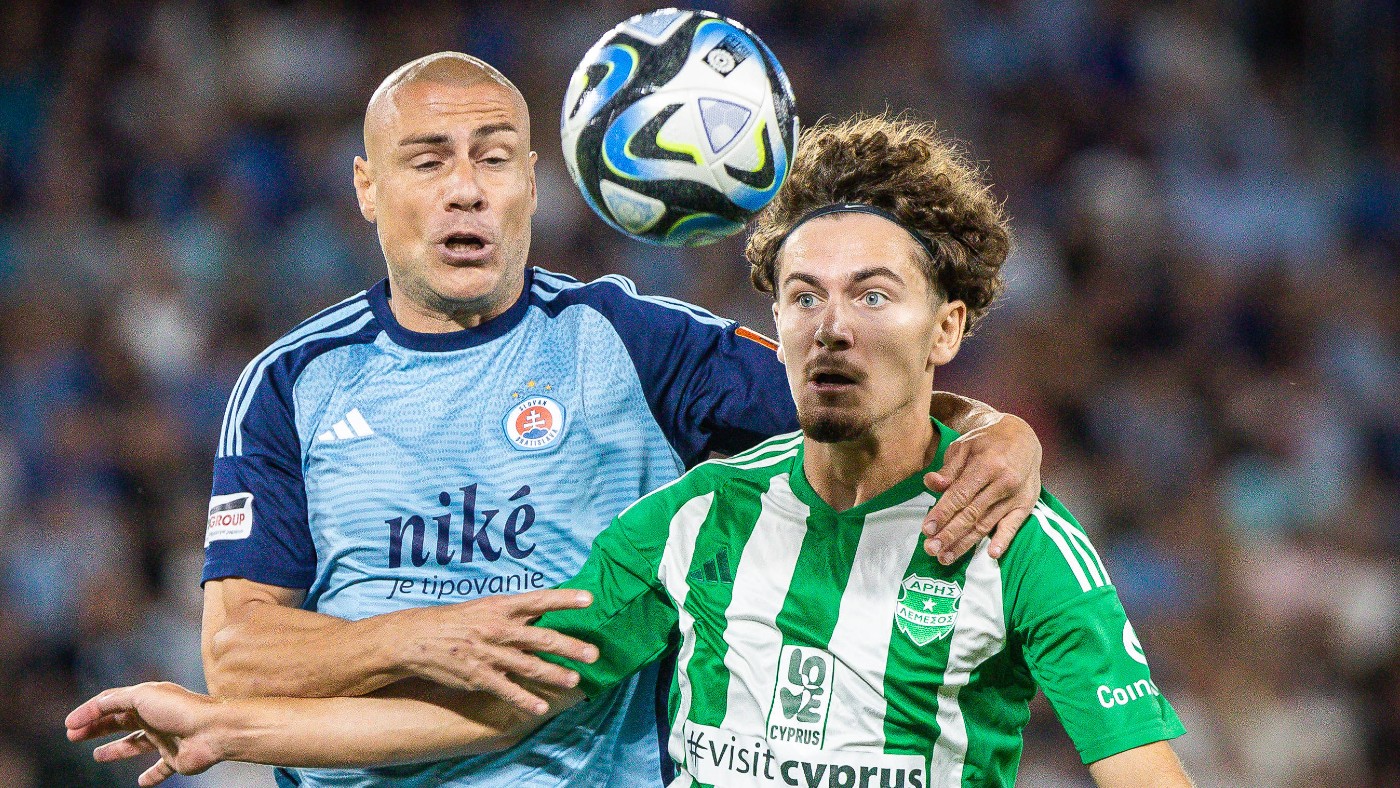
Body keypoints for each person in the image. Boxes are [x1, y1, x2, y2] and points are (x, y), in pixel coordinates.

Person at [68, 113, 1189, 787]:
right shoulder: (693, 519)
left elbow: (1140, 766)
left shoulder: (1016, 540)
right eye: (803, 296)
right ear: (773, 324)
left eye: (872, 294)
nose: (832, 325)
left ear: (947, 327)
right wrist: (230, 726)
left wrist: (998, 425)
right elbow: (500, 703)